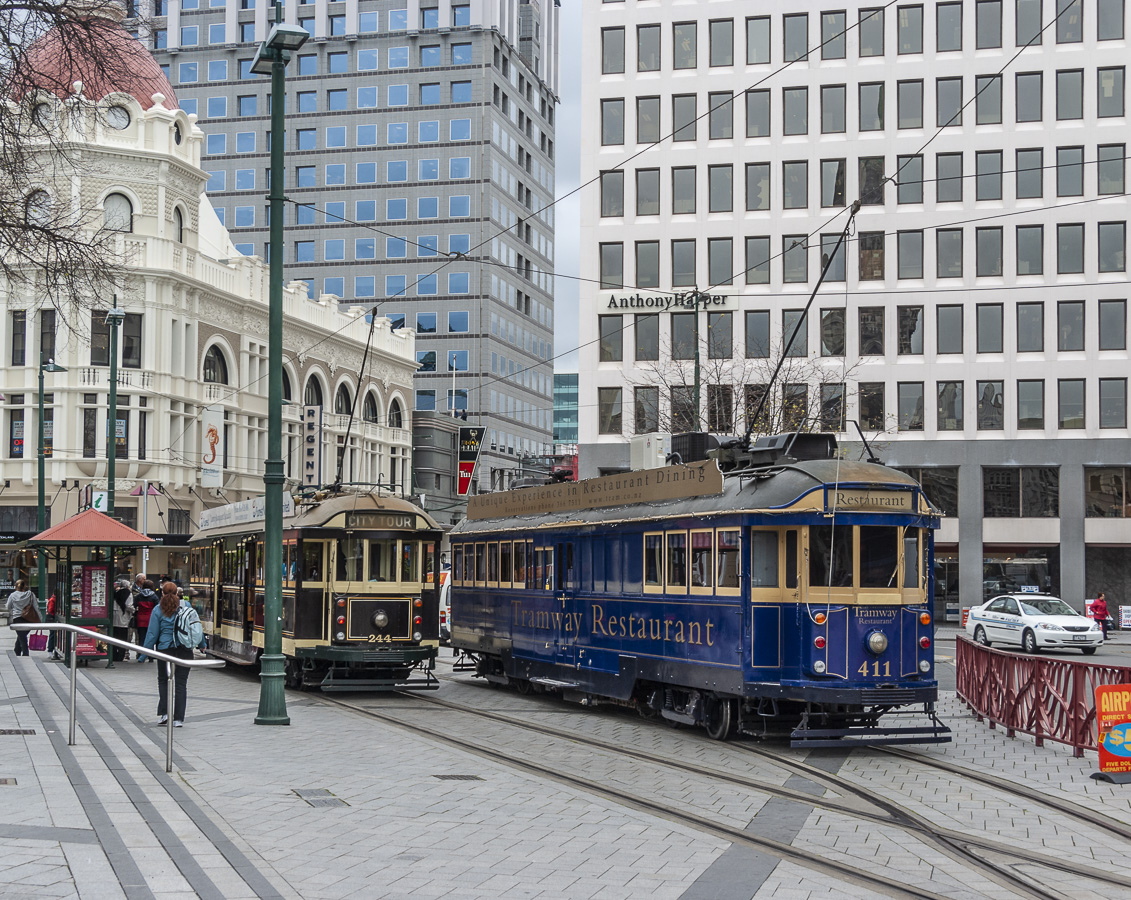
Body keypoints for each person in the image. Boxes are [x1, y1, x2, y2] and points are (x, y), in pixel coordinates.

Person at [142, 581, 203, 727]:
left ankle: (165, 714)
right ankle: (178, 719)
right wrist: (202, 644)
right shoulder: (186, 606)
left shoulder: (158, 609)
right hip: (184, 649)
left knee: (163, 680)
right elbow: (195, 626)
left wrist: (143, 654)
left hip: (165, 650)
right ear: (177, 593)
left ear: (162, 593)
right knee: (181, 684)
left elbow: (152, 634)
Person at [5, 580, 37, 656]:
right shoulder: (31, 594)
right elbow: (35, 606)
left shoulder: (12, 595)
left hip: (17, 617)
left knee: (21, 635)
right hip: (28, 617)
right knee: (22, 635)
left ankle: (25, 653)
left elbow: (8, 606)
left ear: (16, 586)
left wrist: (14, 610)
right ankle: (17, 651)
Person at [134, 580, 158, 663]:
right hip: (151, 619)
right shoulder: (154, 596)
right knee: (150, 637)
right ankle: (150, 656)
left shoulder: (138, 596)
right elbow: (157, 608)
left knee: (141, 637)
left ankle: (141, 655)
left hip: (140, 618)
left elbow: (134, 606)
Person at [111, 578, 135, 661]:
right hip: (123, 618)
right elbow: (129, 605)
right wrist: (134, 610)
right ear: (128, 586)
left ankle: (114, 655)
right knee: (123, 637)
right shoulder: (128, 593)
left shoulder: (116, 593)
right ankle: (121, 655)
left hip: (114, 618)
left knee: (114, 637)